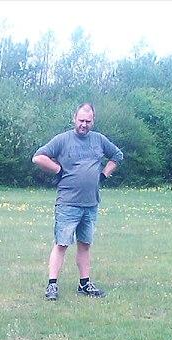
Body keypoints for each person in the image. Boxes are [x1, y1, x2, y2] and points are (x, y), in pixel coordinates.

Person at [32, 103, 123, 300]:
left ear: (93, 121)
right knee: (61, 244)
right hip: (67, 203)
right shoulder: (63, 140)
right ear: (74, 118)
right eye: (81, 120)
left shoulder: (99, 140)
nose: (84, 124)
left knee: (85, 244)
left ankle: (84, 284)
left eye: (88, 121)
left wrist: (104, 175)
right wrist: (57, 169)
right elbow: (38, 157)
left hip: (90, 204)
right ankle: (52, 286)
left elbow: (117, 156)